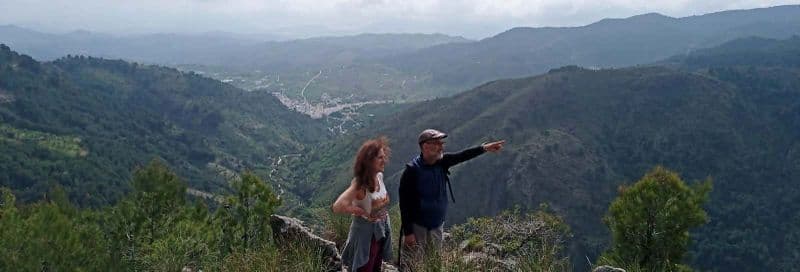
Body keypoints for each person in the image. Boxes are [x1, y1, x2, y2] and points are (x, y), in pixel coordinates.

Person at [399, 129, 505, 253]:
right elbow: (404, 204)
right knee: (415, 265)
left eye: (441, 143)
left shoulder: (442, 162)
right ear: (425, 147)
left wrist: (484, 148)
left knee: (434, 264)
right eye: (437, 144)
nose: (441, 147)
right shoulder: (412, 171)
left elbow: (462, 155)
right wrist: (408, 233)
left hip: (437, 225)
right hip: (418, 227)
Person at [332, 136, 393, 272]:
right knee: (364, 267)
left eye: (384, 157)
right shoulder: (359, 184)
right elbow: (338, 206)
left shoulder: (379, 177)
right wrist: (359, 211)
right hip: (365, 236)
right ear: (369, 161)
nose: (385, 161)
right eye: (380, 158)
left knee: (375, 267)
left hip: (379, 232)